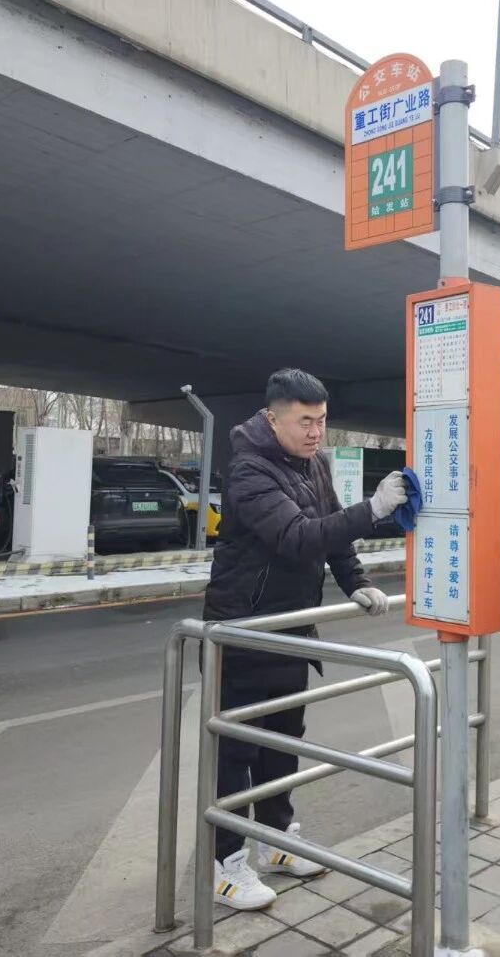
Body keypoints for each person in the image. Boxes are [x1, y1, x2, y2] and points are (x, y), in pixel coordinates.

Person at [202, 368, 407, 911]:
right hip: (244, 632)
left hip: (292, 629)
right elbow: (297, 537)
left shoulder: (313, 464)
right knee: (235, 750)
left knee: (284, 741)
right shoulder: (249, 470)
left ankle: (275, 840)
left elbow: (331, 530)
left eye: (322, 421)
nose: (316, 432)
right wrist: (374, 510)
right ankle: (224, 865)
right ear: (273, 419)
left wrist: (356, 581)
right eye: (305, 421)